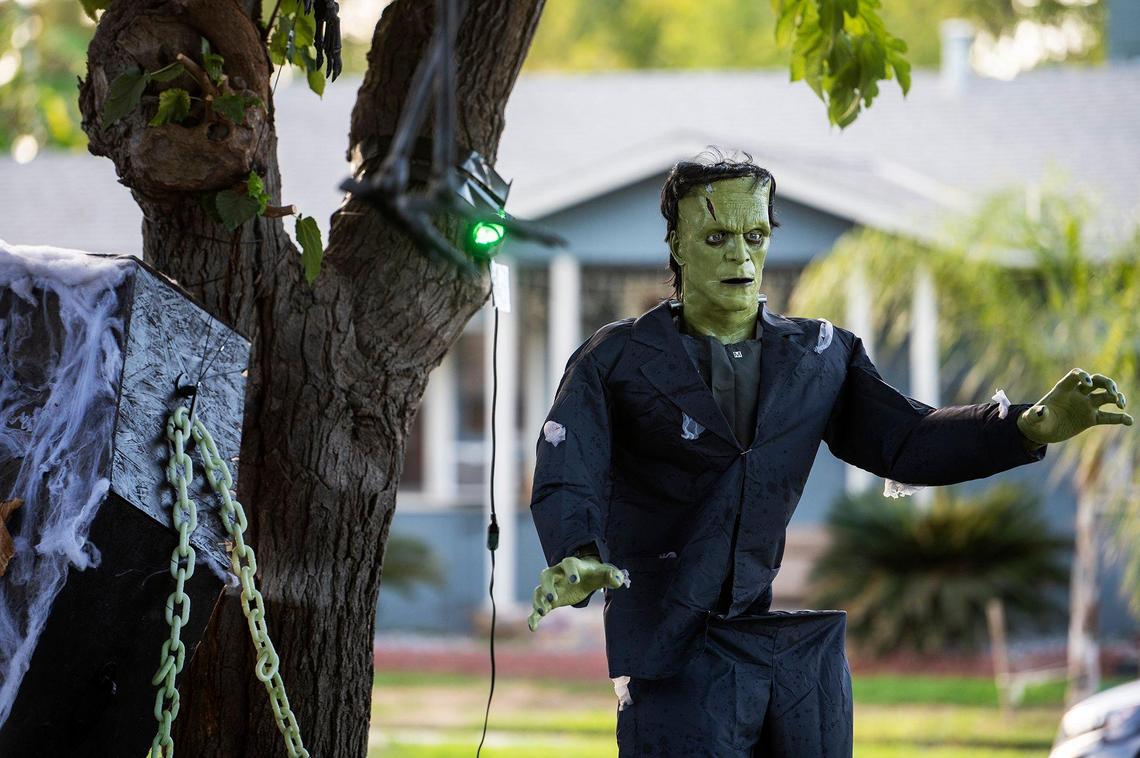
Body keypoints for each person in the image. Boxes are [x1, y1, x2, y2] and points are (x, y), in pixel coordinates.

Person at [526, 150, 1132, 757]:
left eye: (754, 235)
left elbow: (909, 439)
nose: (739, 254)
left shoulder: (816, 357)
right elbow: (567, 463)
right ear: (678, 246)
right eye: (716, 236)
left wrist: (1024, 425)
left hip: (776, 654)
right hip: (667, 653)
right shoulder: (620, 358)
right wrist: (578, 554)